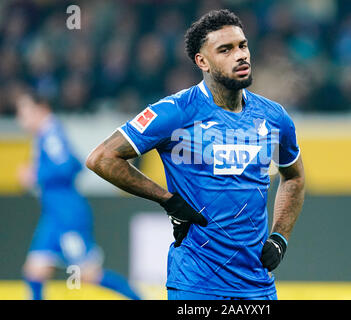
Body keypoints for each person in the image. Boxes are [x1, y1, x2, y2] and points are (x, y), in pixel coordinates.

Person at [86, 9, 305, 300]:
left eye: (242, 45)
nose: (240, 55)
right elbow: (101, 158)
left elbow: (294, 177)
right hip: (195, 285)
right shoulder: (175, 111)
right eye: (225, 50)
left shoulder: (274, 117)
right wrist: (168, 200)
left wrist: (280, 237)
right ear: (202, 61)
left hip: (257, 287)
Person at [16, 91, 141, 300]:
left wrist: (35, 175)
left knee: (89, 274)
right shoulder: (46, 135)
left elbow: (67, 166)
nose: (21, 117)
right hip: (54, 216)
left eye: (25, 111)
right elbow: (73, 162)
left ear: (41, 108)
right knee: (34, 270)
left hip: (67, 216)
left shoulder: (51, 133)